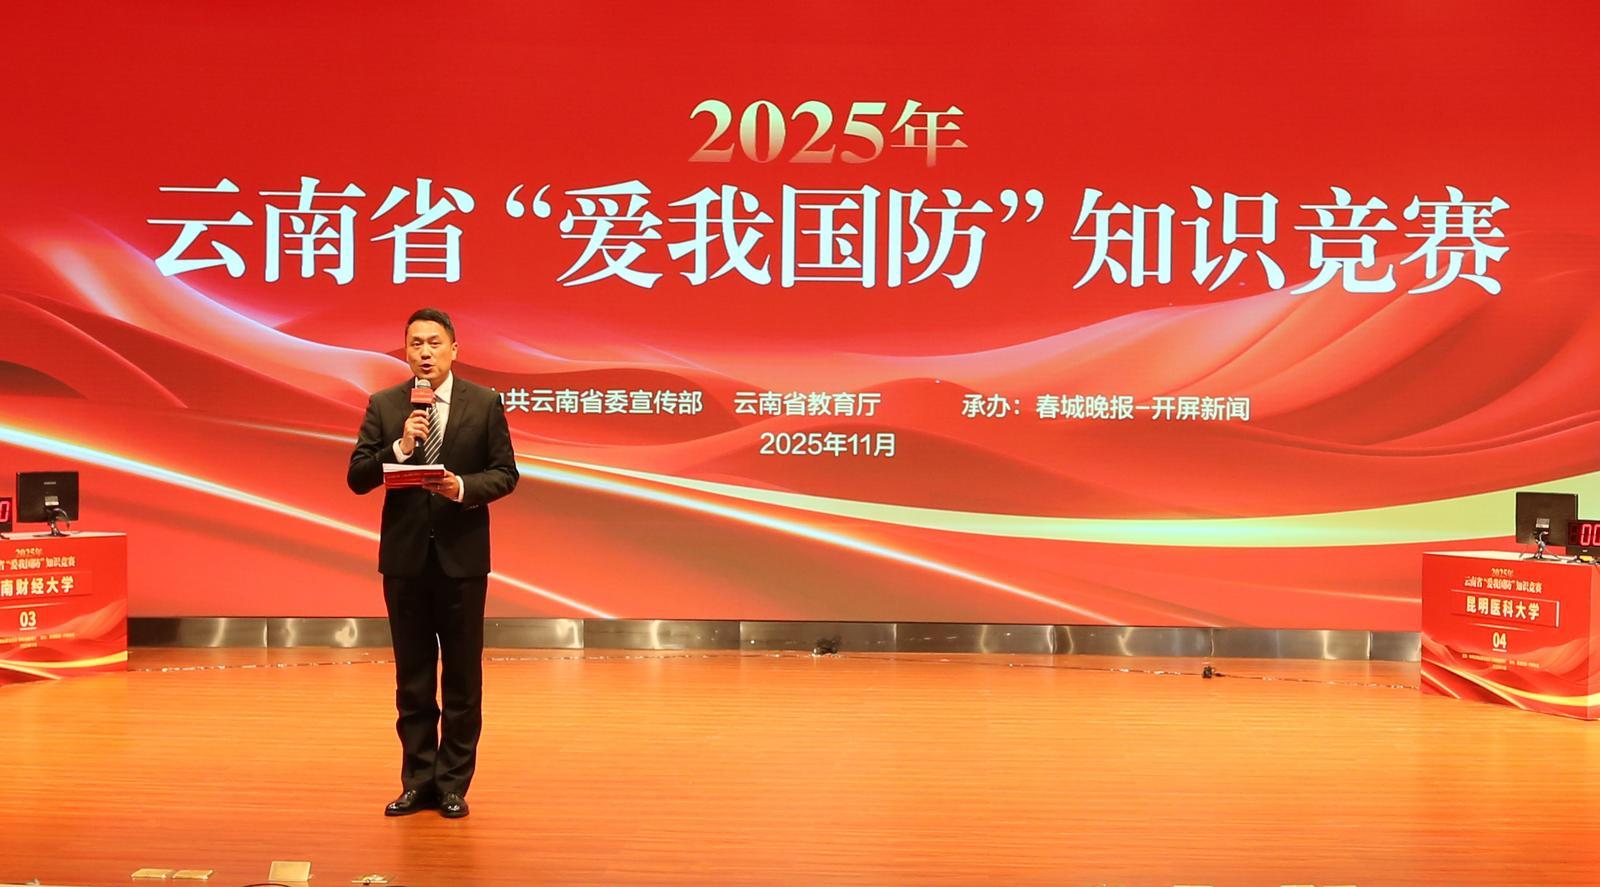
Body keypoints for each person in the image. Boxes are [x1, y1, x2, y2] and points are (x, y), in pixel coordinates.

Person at [347, 308, 519, 819]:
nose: (425, 352)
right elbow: (358, 476)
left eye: (434, 343)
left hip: (462, 561)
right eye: (416, 343)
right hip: (405, 562)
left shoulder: (483, 403)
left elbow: (505, 473)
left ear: (454, 350)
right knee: (413, 679)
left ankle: (452, 784)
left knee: (462, 679)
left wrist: (461, 487)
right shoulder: (385, 405)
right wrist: (400, 448)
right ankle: (417, 780)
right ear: (405, 352)